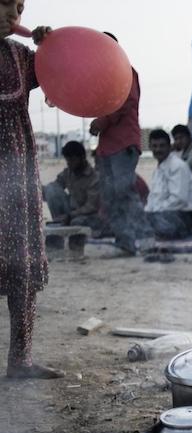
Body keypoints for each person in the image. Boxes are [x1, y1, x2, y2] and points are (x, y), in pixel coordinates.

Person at [0, 3, 61, 378]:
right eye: (6, 2)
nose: (15, 14)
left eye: (20, 7)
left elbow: (67, 77)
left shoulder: (22, 56)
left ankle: (20, 360)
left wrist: (52, 47)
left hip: (18, 180)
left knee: (22, 263)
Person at [90, 32, 150, 254]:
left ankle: (144, 238)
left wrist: (102, 122)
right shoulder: (105, 77)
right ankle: (126, 241)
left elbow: (126, 102)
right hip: (108, 146)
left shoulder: (126, 72)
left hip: (123, 144)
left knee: (123, 191)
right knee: (110, 195)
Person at [145, 129, 192, 240]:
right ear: (150, 147)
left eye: (162, 146)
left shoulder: (178, 166)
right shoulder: (158, 170)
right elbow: (153, 199)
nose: (158, 150)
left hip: (182, 216)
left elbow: (178, 200)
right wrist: (145, 214)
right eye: (154, 146)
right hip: (163, 214)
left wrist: (153, 214)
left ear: (169, 147)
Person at [43, 141, 104, 232]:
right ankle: (59, 223)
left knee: (77, 222)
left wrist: (70, 215)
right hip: (71, 212)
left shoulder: (94, 178)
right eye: (67, 160)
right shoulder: (68, 173)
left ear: (82, 158)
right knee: (51, 189)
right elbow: (54, 189)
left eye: (72, 160)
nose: (69, 163)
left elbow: (91, 207)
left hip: (88, 215)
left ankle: (65, 224)